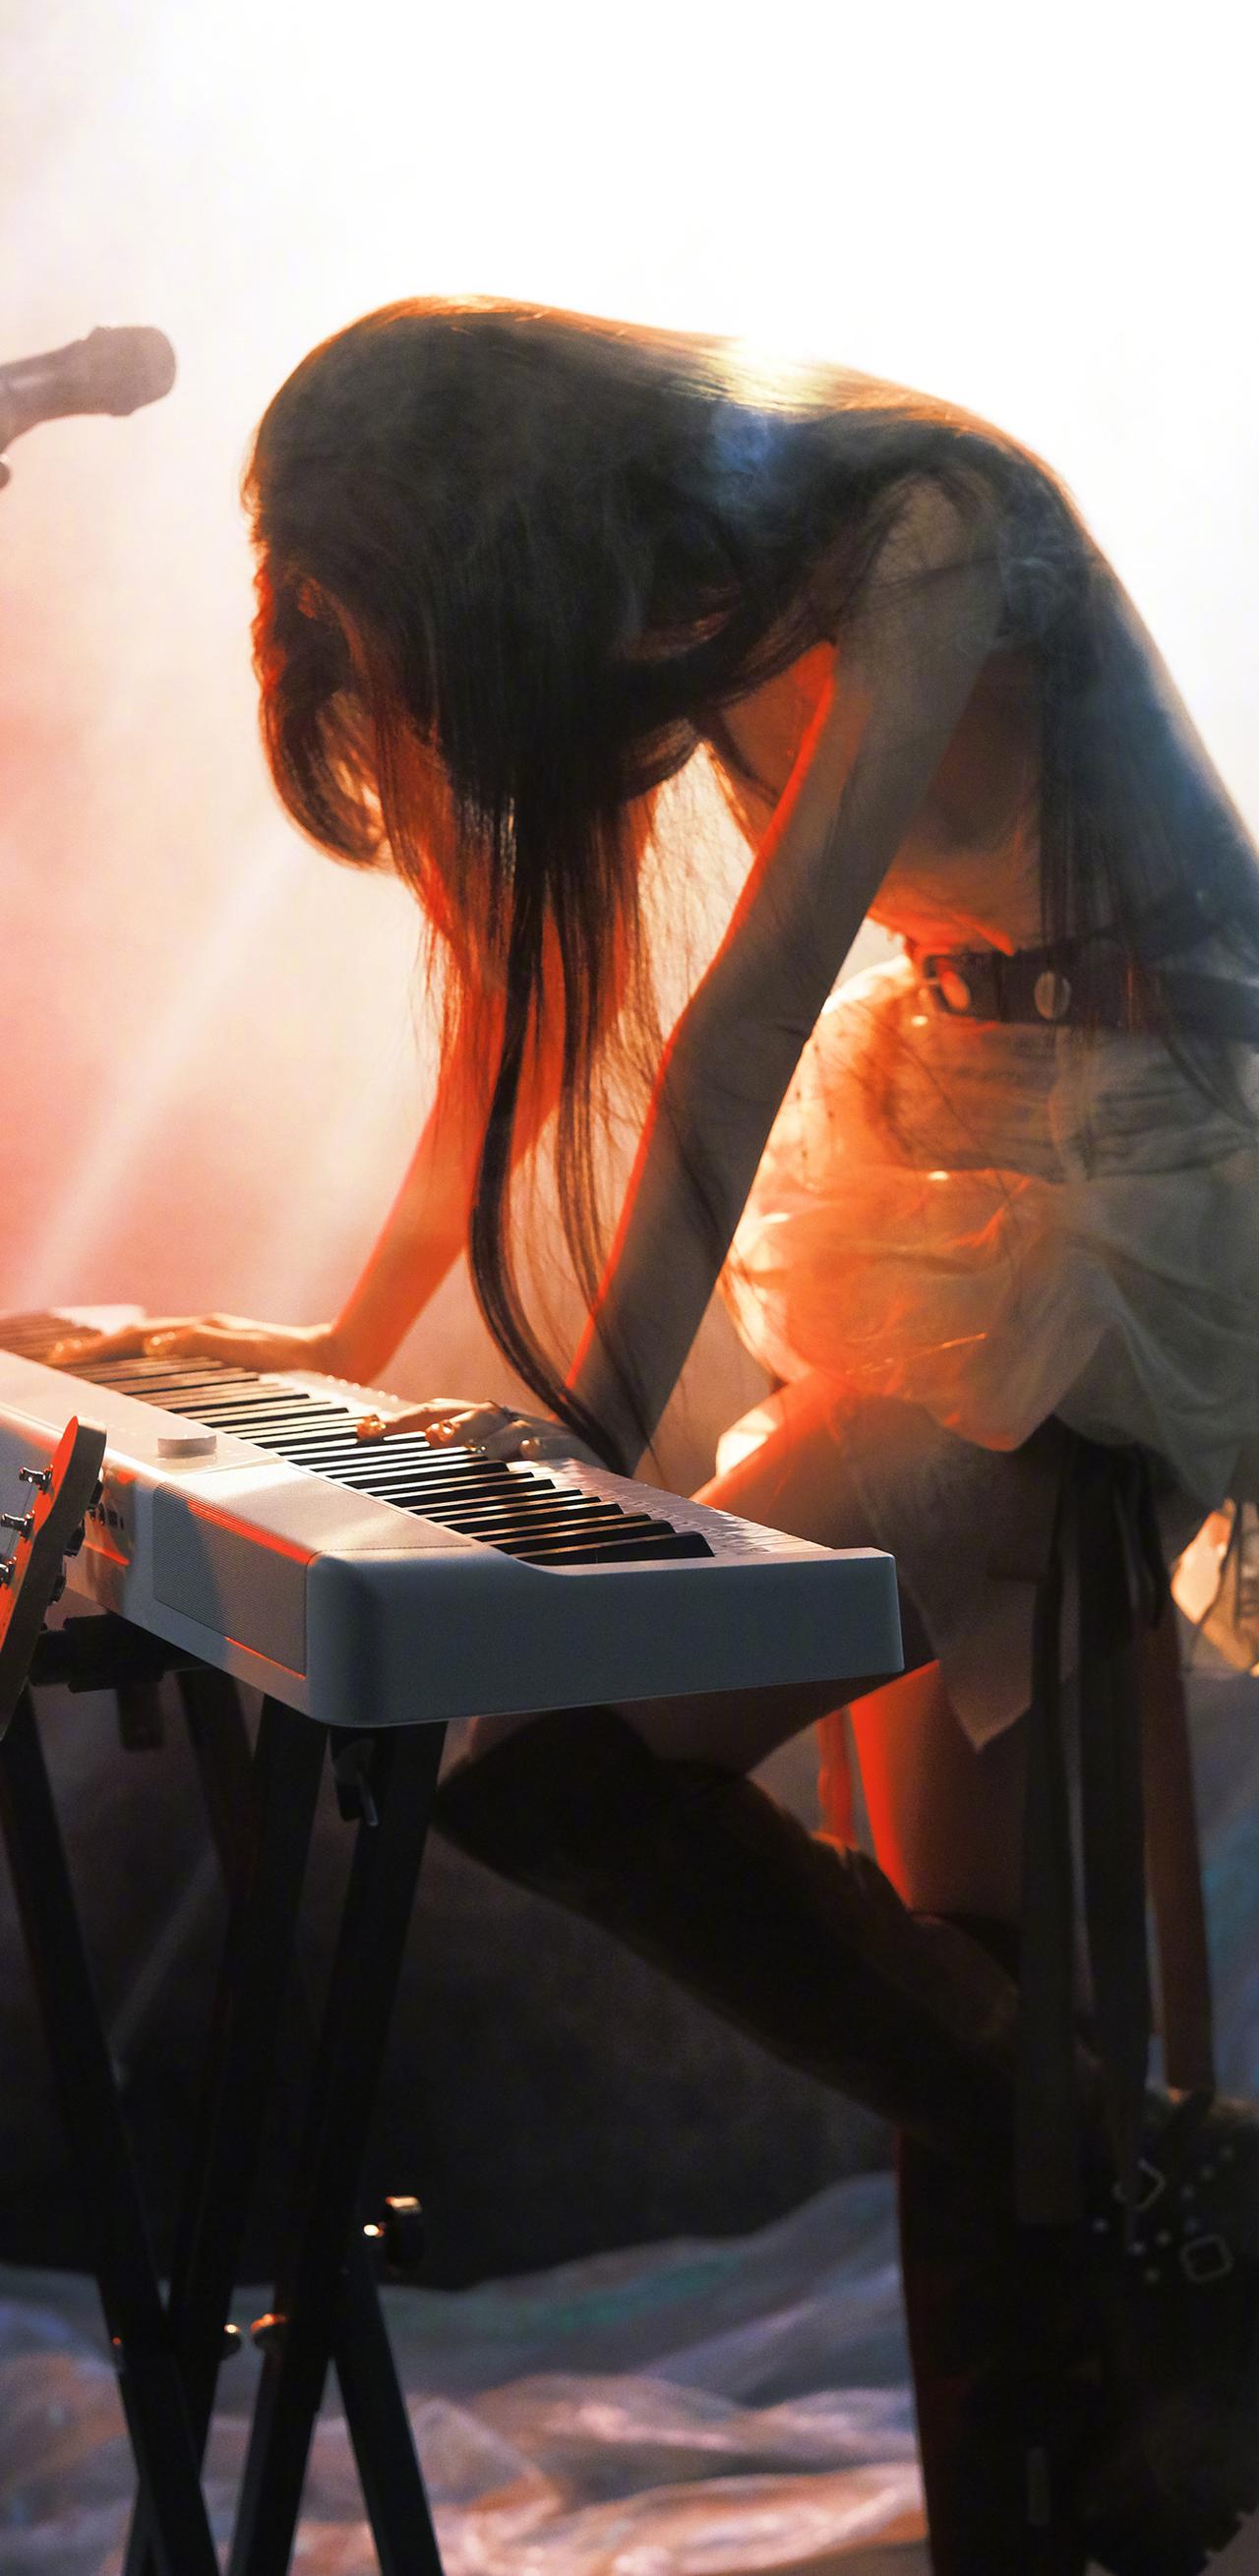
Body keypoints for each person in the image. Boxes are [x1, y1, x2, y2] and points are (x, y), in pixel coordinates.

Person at [68, 299, 1259, 2572]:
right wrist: (332, 1339)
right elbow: (523, 1033)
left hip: (1146, 1198)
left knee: (556, 1749)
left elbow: (732, 1041)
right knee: (966, 1986)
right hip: (968, 1182)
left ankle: (1180, 2204)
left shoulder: (910, 530)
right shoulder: (690, 603)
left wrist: (584, 1486)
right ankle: (1160, 2265)